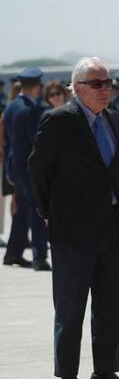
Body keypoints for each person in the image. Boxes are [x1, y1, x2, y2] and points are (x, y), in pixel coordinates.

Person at [28, 57, 119, 379]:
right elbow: (38, 171)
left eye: (108, 82)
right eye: (96, 83)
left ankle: (105, 373)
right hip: (72, 231)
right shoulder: (58, 121)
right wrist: (52, 212)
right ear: (76, 88)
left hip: (114, 227)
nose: (105, 89)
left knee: (112, 305)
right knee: (70, 305)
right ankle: (68, 375)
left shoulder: (118, 122)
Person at [3, 67, 49, 270]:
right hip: (29, 167)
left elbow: (7, 141)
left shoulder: (11, 106)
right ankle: (39, 255)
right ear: (37, 86)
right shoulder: (30, 110)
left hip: (15, 166)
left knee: (20, 212)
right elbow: (36, 142)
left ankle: (13, 253)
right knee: (36, 211)